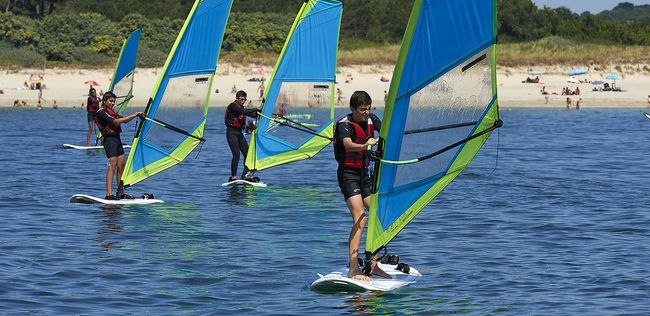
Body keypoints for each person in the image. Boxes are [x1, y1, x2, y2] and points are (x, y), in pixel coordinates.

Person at [333, 90, 390, 282]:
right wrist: (367, 144)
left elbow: (388, 133)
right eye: (362, 110)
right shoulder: (344, 125)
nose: (366, 112)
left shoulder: (372, 119)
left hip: (365, 175)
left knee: (379, 213)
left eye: (368, 108)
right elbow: (348, 145)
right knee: (361, 218)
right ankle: (354, 267)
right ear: (352, 109)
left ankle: (373, 265)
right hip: (348, 175)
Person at [95, 92, 143, 200]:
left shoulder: (111, 112)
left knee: (121, 165)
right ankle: (109, 194)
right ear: (104, 101)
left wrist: (138, 116)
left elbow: (124, 120)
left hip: (117, 139)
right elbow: (116, 122)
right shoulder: (101, 113)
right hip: (109, 140)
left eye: (113, 101)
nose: (112, 103)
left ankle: (120, 193)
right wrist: (134, 114)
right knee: (112, 165)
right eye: (110, 101)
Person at [224, 90, 260, 182]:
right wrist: (255, 108)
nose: (243, 101)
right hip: (231, 133)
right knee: (236, 155)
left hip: (239, 133)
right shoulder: (233, 106)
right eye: (242, 99)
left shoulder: (242, 108)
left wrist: (261, 112)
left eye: (245, 100)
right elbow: (242, 111)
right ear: (237, 98)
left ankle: (245, 175)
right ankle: (233, 177)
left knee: (248, 154)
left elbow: (253, 115)